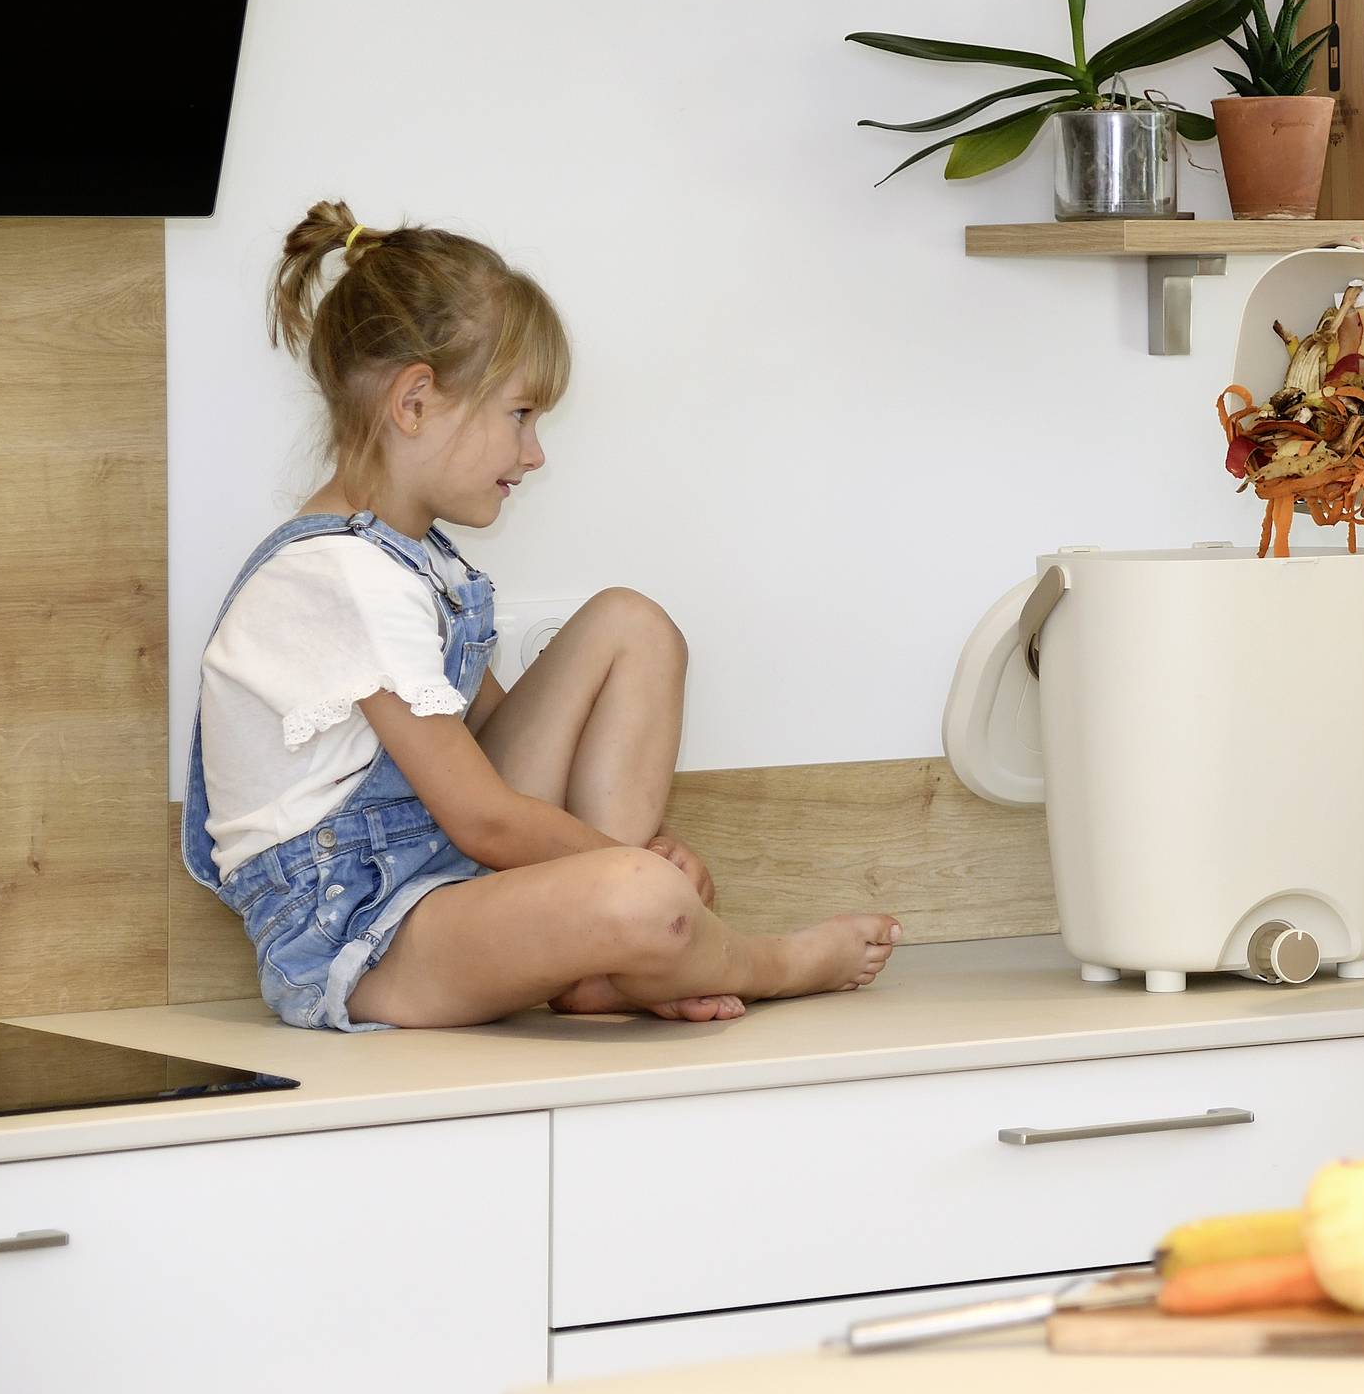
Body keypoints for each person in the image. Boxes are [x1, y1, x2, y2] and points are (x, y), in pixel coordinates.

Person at [182, 199, 897, 1032]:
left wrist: (638, 845)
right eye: (520, 415)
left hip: (446, 882)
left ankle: (607, 952)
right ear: (414, 403)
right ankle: (764, 960)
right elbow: (484, 815)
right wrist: (634, 868)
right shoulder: (340, 579)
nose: (534, 453)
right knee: (642, 895)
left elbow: (492, 740)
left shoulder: (417, 563)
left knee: (632, 624)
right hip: (368, 939)